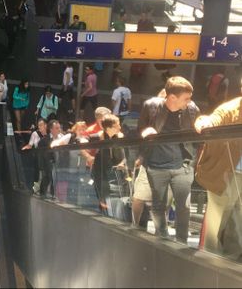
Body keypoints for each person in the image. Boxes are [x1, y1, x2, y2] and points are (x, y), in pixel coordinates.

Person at [138, 76, 200, 244]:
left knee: (184, 207)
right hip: (156, 166)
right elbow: (140, 130)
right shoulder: (151, 107)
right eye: (186, 98)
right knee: (158, 204)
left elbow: (197, 137)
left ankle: (181, 242)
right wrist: (145, 133)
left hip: (183, 166)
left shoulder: (192, 109)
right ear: (172, 97)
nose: (189, 101)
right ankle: (161, 237)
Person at [195, 81, 242, 258]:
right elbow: (212, 120)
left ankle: (234, 260)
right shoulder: (230, 109)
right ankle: (210, 260)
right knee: (216, 220)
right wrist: (203, 121)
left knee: (238, 221)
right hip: (226, 173)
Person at [91, 114, 126, 215]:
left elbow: (124, 155)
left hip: (114, 173)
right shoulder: (99, 136)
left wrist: (122, 163)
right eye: (117, 125)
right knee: (104, 196)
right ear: (109, 127)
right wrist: (88, 157)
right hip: (101, 173)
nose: (120, 127)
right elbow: (80, 140)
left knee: (112, 196)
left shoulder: (119, 137)